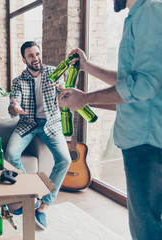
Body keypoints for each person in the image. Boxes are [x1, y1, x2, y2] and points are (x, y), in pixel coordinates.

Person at [58, 1, 162, 239]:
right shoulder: (138, 15)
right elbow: (130, 82)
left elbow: (143, 86)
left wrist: (85, 98)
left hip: (146, 145)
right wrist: (86, 70)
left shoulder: (149, 11)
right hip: (143, 141)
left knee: (145, 228)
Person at [5, 41, 71, 229]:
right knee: (10, 155)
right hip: (27, 123)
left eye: (37, 54)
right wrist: (14, 107)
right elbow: (14, 99)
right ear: (24, 59)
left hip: (51, 123)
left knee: (65, 159)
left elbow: (64, 91)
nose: (36, 58)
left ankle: (43, 206)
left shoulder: (54, 72)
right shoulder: (19, 80)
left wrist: (62, 90)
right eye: (31, 56)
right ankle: (31, 195)